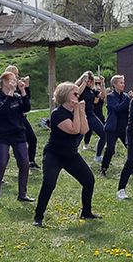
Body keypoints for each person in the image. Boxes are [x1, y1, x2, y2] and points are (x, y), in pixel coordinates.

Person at [33, 82, 100, 227]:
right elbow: (74, 129)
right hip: (54, 155)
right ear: (66, 95)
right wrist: (78, 110)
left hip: (71, 155)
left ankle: (86, 212)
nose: (78, 96)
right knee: (49, 184)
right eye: (75, 93)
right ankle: (38, 217)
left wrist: (80, 111)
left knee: (89, 180)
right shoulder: (57, 114)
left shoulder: (75, 110)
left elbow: (84, 130)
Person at [0, 70, 33, 207]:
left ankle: (22, 194)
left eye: (15, 80)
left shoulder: (17, 96)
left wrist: (23, 90)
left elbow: (26, 108)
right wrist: (8, 96)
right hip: (1, 134)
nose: (14, 83)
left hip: (18, 133)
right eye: (11, 80)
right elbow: (1, 111)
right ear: (4, 83)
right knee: (1, 163)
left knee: (24, 163)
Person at [4, 65, 39, 168]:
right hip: (9, 119)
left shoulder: (18, 85)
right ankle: (0, 167)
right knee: (6, 145)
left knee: (32, 139)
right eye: (15, 74)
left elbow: (26, 101)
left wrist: (26, 87)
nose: (17, 77)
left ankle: (31, 161)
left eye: (17, 74)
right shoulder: (5, 87)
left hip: (21, 117)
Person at [100, 74, 130, 176]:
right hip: (113, 128)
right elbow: (117, 108)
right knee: (110, 149)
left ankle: (130, 167)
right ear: (114, 84)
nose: (123, 84)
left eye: (123, 82)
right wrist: (128, 99)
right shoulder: (110, 96)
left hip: (123, 127)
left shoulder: (126, 96)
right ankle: (104, 168)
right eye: (121, 83)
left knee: (130, 147)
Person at [76, 71, 107, 154]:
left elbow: (102, 95)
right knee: (78, 136)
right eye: (88, 80)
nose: (90, 82)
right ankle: (73, 151)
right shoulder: (79, 88)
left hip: (90, 114)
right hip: (80, 115)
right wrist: (84, 82)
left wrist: (102, 84)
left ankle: (98, 155)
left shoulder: (91, 90)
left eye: (91, 80)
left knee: (104, 134)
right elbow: (78, 93)